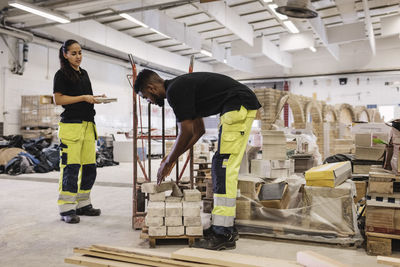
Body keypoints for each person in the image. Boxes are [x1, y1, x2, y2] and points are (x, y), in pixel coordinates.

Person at [134, 69, 261, 250]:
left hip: (237, 105)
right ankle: (224, 227)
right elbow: (197, 131)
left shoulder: (174, 92)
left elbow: (185, 132)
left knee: (223, 168)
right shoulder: (181, 88)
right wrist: (171, 159)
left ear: (151, 88)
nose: (149, 101)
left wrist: (169, 161)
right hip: (238, 105)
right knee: (221, 166)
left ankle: (222, 233)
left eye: (145, 96)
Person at [53, 39, 102, 224]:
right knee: (71, 169)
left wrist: (96, 98)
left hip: (89, 126)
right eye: (73, 53)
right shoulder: (61, 74)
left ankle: (83, 204)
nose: (78, 56)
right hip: (71, 127)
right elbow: (58, 100)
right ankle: (67, 209)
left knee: (90, 168)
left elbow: (85, 98)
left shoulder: (84, 74)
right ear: (65, 54)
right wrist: (83, 97)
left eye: (80, 53)